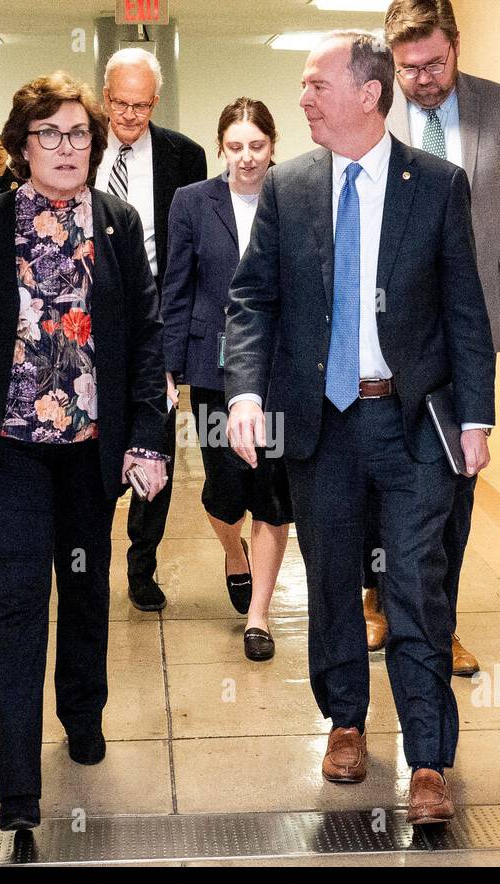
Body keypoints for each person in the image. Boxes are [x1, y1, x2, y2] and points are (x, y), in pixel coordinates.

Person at [224, 31, 495, 824]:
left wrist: (474, 417)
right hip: (323, 422)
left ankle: (429, 761)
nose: (302, 98)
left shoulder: (436, 185)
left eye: (316, 85)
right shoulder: (291, 187)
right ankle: (344, 722)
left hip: (412, 423)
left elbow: (465, 310)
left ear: (368, 94)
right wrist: (244, 393)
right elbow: (253, 300)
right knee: (335, 580)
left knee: (416, 587)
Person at [0, 72, 169, 831]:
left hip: (89, 451)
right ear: (20, 147)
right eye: (48, 134)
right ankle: (17, 785)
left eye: (79, 133)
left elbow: (143, 339)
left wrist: (148, 436)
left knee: (84, 592)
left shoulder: (118, 222)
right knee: (18, 603)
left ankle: (83, 716)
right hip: (11, 448)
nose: (67, 147)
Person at [360, 0, 500, 670]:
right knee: (380, 477)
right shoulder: (370, 106)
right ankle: (378, 596)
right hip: (384, 332)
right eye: (408, 67)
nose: (421, 78)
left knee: (455, 481)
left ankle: (436, 621)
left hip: (469, 332)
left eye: (434, 63)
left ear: (456, 43)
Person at [163, 98, 291, 662]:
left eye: (256, 146)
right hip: (212, 369)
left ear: (273, 146)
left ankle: (259, 616)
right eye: (235, 147)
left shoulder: (294, 198)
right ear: (220, 147)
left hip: (279, 369)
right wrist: (167, 366)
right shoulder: (192, 202)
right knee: (224, 490)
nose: (246, 158)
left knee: (272, 494)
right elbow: (177, 287)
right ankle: (233, 552)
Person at [94, 48, 207, 613]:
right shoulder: (77, 142)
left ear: (154, 102)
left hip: (153, 318)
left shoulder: (184, 157)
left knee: (153, 443)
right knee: (85, 439)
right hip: (82, 319)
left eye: (141, 105)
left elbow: (192, 254)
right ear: (104, 94)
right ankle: (83, 561)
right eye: (119, 103)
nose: (129, 116)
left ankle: (142, 566)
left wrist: (176, 337)